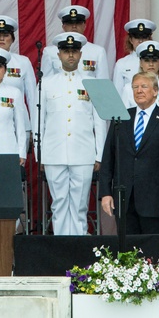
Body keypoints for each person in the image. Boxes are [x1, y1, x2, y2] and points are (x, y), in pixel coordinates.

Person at [99, 71, 159, 234]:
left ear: (155, 91)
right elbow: (108, 158)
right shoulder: (120, 119)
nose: (139, 90)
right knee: (127, 254)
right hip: (125, 201)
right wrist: (105, 193)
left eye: (144, 86)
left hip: (157, 203)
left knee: (156, 253)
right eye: (135, 87)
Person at [39, 33, 107, 235]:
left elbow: (100, 121)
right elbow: (39, 121)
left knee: (80, 205)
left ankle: (79, 246)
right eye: (66, 51)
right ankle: (61, 245)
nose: (70, 55)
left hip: (83, 151)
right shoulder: (46, 83)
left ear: (81, 54)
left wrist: (98, 154)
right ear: (58, 54)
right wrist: (40, 153)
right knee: (58, 204)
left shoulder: (93, 82)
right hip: (54, 151)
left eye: (74, 51)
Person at [120, 41, 159, 123]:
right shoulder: (129, 88)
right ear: (141, 63)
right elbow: (124, 120)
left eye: (154, 60)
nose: (151, 64)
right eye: (147, 60)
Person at [40, 6, 110, 81]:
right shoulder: (50, 52)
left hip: (88, 92)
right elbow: (46, 82)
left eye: (78, 23)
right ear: (64, 26)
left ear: (84, 26)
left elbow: (103, 84)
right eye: (70, 23)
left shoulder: (98, 52)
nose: (74, 26)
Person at [112, 19, 157, 92]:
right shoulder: (122, 64)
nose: (140, 41)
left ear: (149, 38)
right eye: (137, 37)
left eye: (144, 37)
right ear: (130, 39)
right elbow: (118, 93)